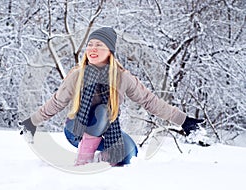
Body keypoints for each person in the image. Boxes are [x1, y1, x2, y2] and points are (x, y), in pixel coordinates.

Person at [21, 27, 204, 166]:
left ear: (110, 51)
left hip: (107, 131)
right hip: (75, 129)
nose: (93, 48)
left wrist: (183, 120)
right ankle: (83, 163)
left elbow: (150, 101)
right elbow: (57, 102)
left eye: (99, 45)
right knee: (102, 111)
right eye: (90, 44)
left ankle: (101, 160)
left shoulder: (123, 77)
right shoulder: (78, 75)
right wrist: (32, 121)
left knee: (128, 154)